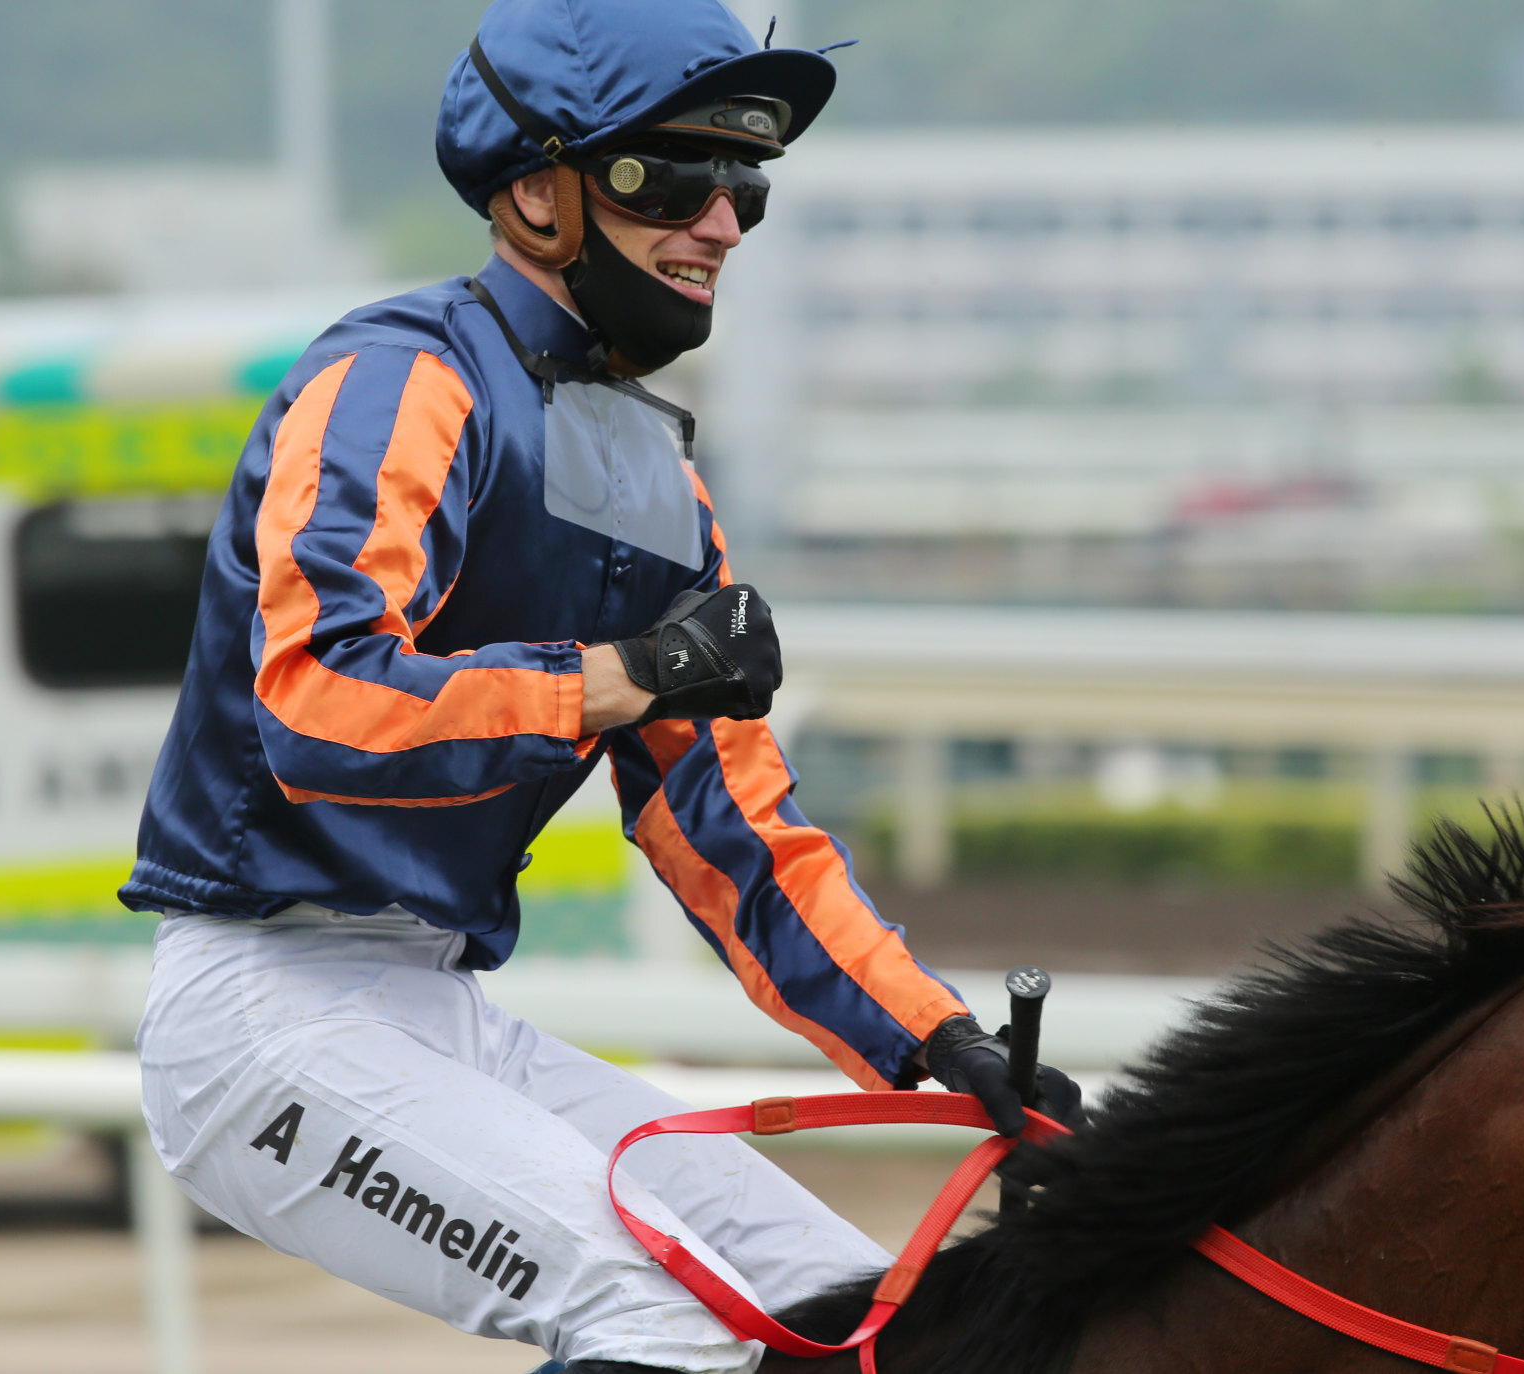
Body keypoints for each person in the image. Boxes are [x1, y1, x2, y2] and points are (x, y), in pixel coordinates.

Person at [120, 1, 1083, 1369]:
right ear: (535, 194)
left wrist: (936, 1041)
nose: (724, 224)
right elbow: (320, 707)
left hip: (430, 1006)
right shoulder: (397, 376)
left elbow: (737, 831)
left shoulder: (662, 485)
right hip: (261, 1008)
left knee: (859, 1306)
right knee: (655, 1320)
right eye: (673, 178)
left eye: (741, 184)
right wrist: (621, 674)